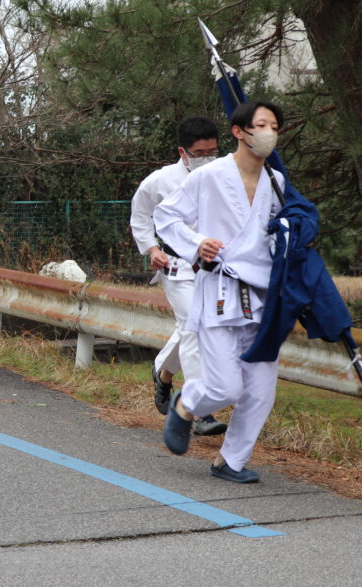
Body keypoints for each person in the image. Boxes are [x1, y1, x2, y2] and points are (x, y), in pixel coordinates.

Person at [154, 100, 285, 484]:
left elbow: (283, 234)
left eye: (275, 126)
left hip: (263, 297)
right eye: (261, 125)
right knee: (226, 386)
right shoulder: (210, 175)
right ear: (239, 131)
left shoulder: (277, 183)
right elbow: (167, 216)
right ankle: (187, 403)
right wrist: (197, 243)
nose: (269, 133)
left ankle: (230, 461)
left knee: (260, 393)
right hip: (221, 290)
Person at [130, 117, 227, 437]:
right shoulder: (160, 181)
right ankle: (201, 410)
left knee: (191, 328)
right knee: (196, 330)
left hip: (216, 268)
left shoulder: (225, 175)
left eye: (213, 150)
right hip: (177, 267)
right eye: (201, 152)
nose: (208, 157)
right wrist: (151, 248)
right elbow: (140, 215)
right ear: (183, 152)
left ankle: (163, 371)